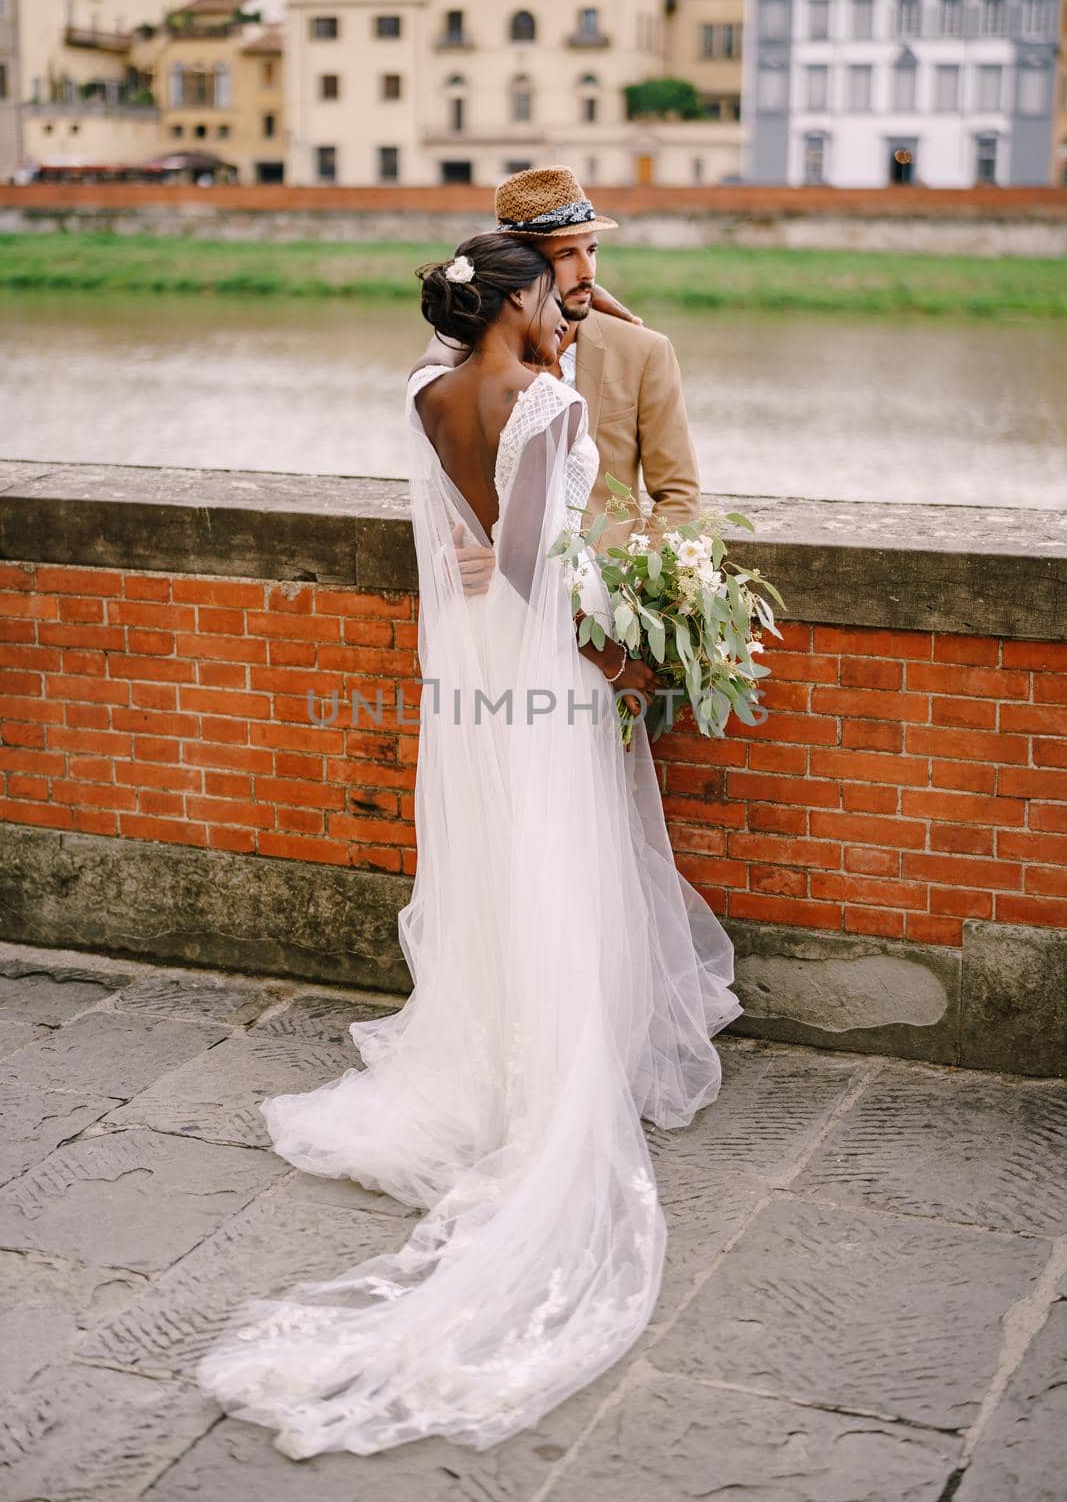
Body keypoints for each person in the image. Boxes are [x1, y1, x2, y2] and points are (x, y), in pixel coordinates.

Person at [195, 233, 743, 1460]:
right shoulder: (541, 399)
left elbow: (469, 537)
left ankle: (489, 1063)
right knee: (554, 853)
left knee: (496, 855)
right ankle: (546, 1085)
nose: (576, 306)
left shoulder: (424, 388)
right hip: (536, 653)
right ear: (515, 301)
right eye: (559, 292)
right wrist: (620, 642)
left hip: (470, 662)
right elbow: (537, 564)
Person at [422, 165, 704, 597]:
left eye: (592, 250)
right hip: (501, 599)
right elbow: (445, 482)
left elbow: (678, 495)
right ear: (523, 268)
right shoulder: (470, 360)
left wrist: (639, 596)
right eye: (567, 255)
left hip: (606, 600)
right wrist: (451, 551)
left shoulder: (645, 352)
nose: (588, 270)